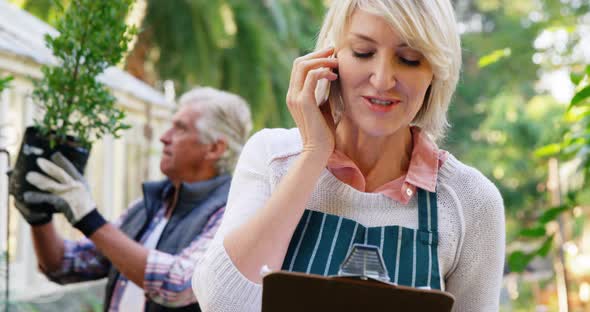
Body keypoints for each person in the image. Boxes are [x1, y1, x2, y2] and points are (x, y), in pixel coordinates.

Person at [192, 1, 505, 311]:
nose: (382, 79)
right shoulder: (272, 158)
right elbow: (222, 303)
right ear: (328, 59)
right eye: (363, 53)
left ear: (435, 74)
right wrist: (313, 155)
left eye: (409, 59)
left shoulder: (471, 201)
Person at [12, 87, 252, 311]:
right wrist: (37, 215)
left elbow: (180, 284)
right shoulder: (150, 205)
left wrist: (88, 218)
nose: (164, 137)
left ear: (215, 149)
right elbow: (64, 265)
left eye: (180, 128)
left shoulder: (229, 213)